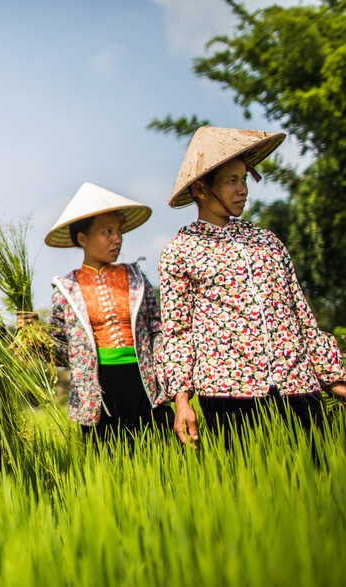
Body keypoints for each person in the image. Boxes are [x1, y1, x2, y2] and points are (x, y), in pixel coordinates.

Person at [156, 126, 346, 446]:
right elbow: (177, 332)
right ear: (201, 189)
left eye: (244, 179)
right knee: (252, 481)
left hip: (296, 381)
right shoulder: (181, 251)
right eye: (231, 181)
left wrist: (333, 377)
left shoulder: (267, 241)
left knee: (318, 474)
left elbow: (301, 313)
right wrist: (182, 400)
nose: (242, 189)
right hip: (230, 392)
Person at [38, 182, 171, 442]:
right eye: (107, 231)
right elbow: (61, 351)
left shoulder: (136, 277)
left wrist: (167, 375)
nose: (117, 238)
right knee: (110, 460)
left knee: (160, 452)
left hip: (144, 382)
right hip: (98, 390)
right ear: (82, 239)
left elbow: (157, 328)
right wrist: (34, 338)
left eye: (119, 231)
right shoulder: (66, 289)